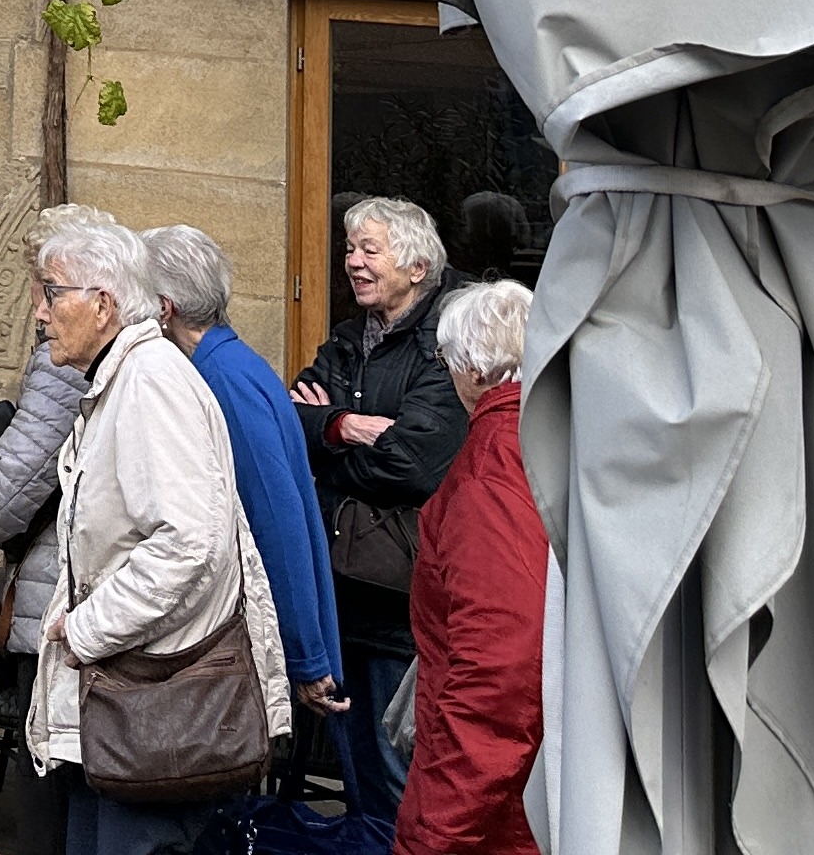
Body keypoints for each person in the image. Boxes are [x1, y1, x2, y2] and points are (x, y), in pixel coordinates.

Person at [19, 217, 291, 855]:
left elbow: (191, 543)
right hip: (129, 712)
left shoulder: (151, 382)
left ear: (104, 303)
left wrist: (85, 629)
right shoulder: (124, 380)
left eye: (52, 292)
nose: (40, 312)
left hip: (161, 718)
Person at [292, 197, 469, 835]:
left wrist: (328, 455)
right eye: (349, 250)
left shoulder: (445, 344)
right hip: (343, 590)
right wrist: (344, 426)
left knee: (402, 778)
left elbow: (416, 465)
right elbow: (293, 424)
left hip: (402, 599)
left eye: (370, 250)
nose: (354, 263)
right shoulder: (346, 339)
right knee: (356, 775)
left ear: (417, 267)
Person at [0, 207, 121, 855]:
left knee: (50, 798)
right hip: (91, 604)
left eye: (46, 286)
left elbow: (7, 493)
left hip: (57, 607)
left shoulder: (66, 358)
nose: (38, 306)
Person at [148, 226, 345, 734]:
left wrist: (306, 655)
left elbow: (276, 520)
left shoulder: (223, 380)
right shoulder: (227, 364)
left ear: (164, 307)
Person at [395, 279, 541, 855]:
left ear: (474, 372)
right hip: (520, 789)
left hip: (497, 814)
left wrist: (432, 835)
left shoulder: (495, 467)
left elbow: (501, 671)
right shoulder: (545, 436)